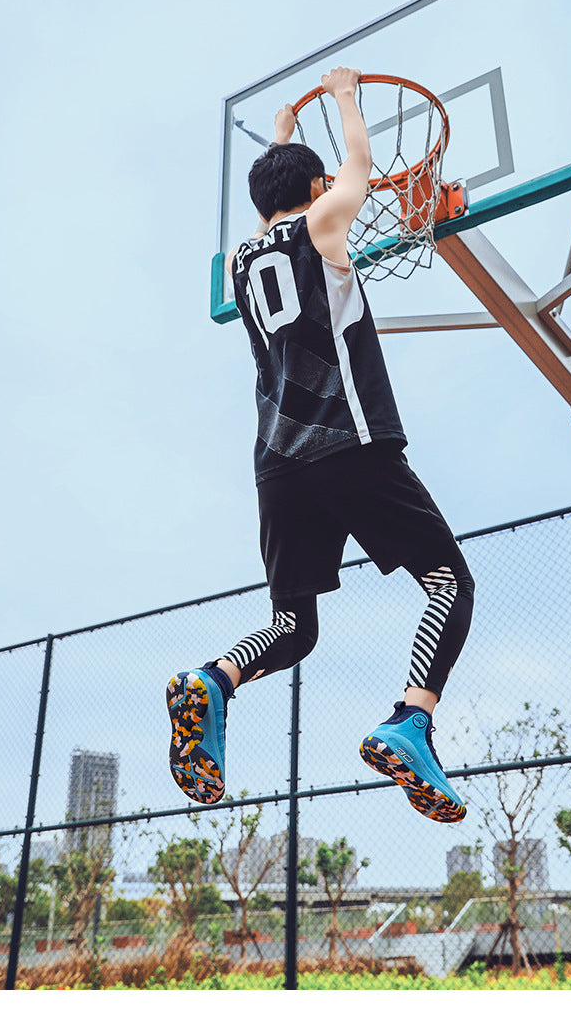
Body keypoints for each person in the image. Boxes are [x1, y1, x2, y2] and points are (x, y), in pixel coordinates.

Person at [166, 67, 474, 823]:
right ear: (315, 190)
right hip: (348, 443)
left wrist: (281, 139)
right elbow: (359, 169)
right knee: (449, 583)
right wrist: (343, 95)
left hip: (277, 462)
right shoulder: (322, 222)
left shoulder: (242, 259)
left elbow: (280, 204)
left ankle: (214, 680)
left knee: (294, 627)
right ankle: (410, 720)